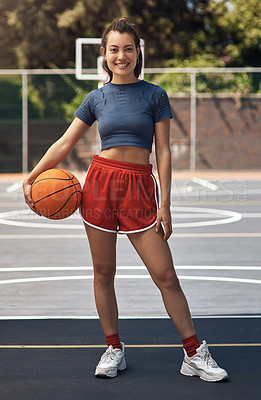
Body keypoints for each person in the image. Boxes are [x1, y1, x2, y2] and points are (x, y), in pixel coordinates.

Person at [23, 17, 228, 382]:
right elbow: (65, 143)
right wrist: (33, 175)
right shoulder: (94, 98)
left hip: (138, 187)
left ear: (138, 52)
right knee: (103, 272)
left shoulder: (154, 94)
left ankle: (194, 353)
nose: (121, 56)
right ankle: (113, 348)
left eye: (128, 49)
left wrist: (165, 204)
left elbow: (162, 152)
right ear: (104, 54)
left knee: (165, 274)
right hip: (100, 185)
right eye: (114, 49)